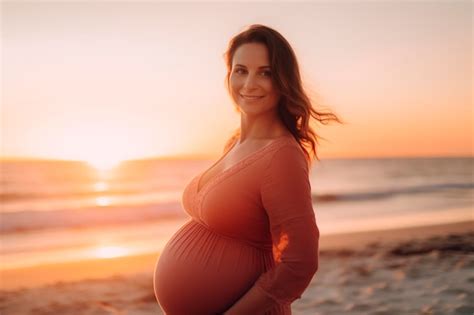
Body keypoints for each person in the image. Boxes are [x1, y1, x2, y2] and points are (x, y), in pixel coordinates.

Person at [153, 24, 342, 315]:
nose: (250, 83)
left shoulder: (282, 156)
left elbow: (300, 261)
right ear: (228, 75)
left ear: (282, 81)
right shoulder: (235, 142)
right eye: (241, 70)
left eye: (265, 73)